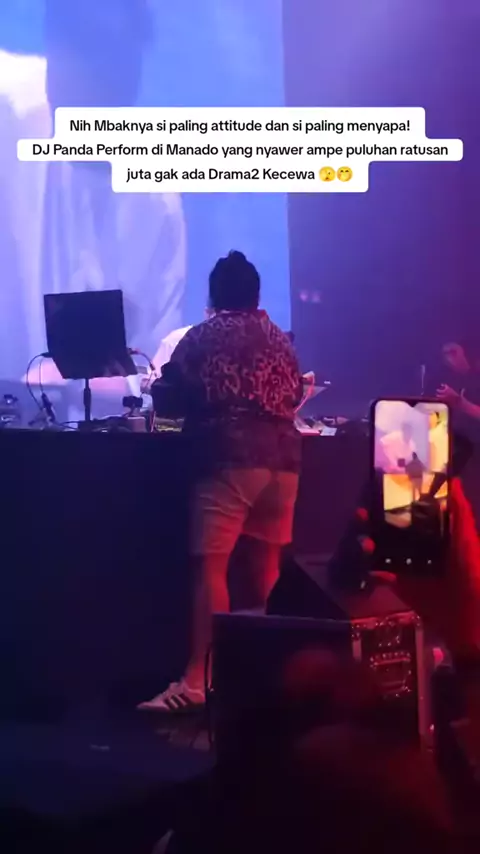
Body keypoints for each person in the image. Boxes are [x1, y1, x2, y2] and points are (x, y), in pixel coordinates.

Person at [0, 0, 186, 418]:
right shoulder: (8, 107)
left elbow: (156, 375)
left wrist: (80, 383)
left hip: (100, 445)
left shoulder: (157, 202)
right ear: (53, 54)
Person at [139, 251, 303, 712]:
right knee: (267, 570)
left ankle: (198, 680)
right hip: (285, 463)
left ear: (213, 296)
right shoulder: (280, 338)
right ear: (256, 295)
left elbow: (168, 396)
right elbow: (294, 394)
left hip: (230, 458)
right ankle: (277, 680)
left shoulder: (203, 335)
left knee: (210, 568)